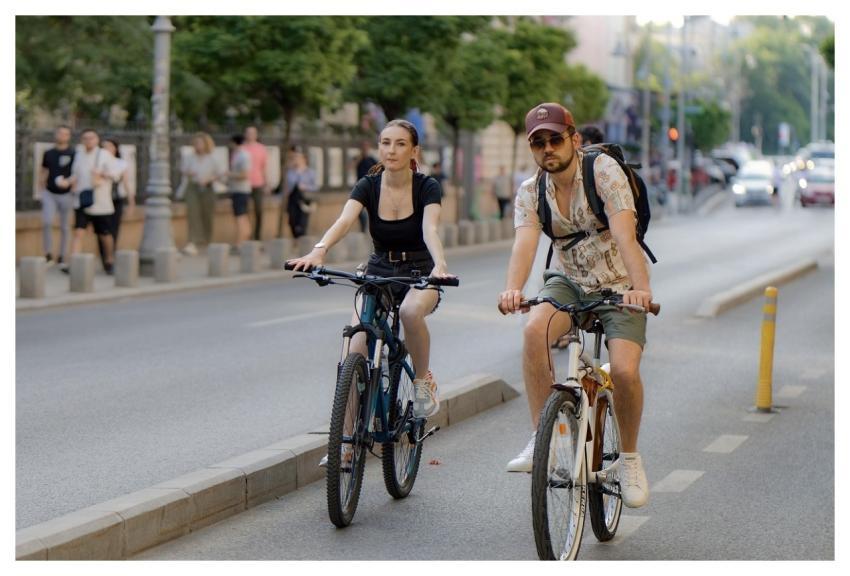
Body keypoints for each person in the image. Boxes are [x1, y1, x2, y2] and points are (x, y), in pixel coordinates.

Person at [497, 103, 654, 509]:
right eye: (538, 143)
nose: (547, 148)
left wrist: (640, 289)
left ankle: (630, 459)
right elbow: (525, 244)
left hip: (619, 285)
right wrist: (512, 289)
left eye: (554, 138)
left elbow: (625, 234)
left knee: (622, 370)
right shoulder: (531, 192)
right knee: (533, 330)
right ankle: (542, 439)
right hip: (569, 282)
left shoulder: (602, 172)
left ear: (574, 139)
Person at [287, 119, 454, 430]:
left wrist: (439, 264)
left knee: (410, 311)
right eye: (385, 142)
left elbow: (429, 229)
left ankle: (421, 381)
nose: (391, 150)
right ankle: (346, 444)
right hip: (378, 269)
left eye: (400, 143)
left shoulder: (427, 186)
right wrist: (319, 250)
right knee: (356, 345)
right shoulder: (368, 185)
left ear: (413, 150)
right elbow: (344, 220)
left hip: (419, 270)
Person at [65, 129, 116, 274]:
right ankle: (73, 263)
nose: (88, 141)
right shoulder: (79, 154)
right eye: (85, 138)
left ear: (97, 139)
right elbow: (75, 174)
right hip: (81, 200)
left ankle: (109, 260)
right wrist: (68, 182)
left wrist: (101, 174)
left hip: (101, 202)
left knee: (105, 234)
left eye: (91, 138)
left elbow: (115, 174)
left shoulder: (105, 155)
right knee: (78, 232)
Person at [178, 132, 222, 255]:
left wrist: (209, 179)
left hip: (208, 188)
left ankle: (207, 241)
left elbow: (219, 173)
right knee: (193, 213)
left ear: (206, 144)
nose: (197, 145)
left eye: (200, 143)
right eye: (196, 143)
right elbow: (183, 170)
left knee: (207, 215)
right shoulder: (189, 157)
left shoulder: (213, 158)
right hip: (193, 187)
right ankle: (192, 242)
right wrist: (189, 173)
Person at [39, 125, 75, 266]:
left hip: (67, 194)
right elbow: (43, 170)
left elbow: (77, 173)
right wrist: (41, 187)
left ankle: (62, 255)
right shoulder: (49, 153)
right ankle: (48, 254)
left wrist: (70, 184)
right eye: (60, 133)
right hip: (49, 193)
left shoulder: (74, 153)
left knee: (65, 226)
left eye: (65, 134)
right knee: (47, 222)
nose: (62, 136)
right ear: (56, 135)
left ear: (69, 136)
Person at [100, 138, 135, 256]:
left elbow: (126, 183)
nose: (106, 149)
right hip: (101, 199)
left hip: (116, 199)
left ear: (115, 148)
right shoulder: (98, 162)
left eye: (109, 146)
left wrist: (131, 202)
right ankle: (104, 256)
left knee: (114, 228)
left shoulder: (120, 163)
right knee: (102, 229)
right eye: (104, 146)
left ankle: (111, 255)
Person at [285, 148, 318, 239]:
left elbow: (315, 187)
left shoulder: (310, 172)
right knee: (292, 221)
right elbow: (289, 184)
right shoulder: (291, 172)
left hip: (304, 200)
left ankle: (301, 241)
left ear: (304, 159)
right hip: (292, 200)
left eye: (298, 158)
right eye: (295, 158)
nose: (296, 160)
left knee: (302, 223)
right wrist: (297, 173)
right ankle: (297, 239)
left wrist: (305, 187)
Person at [227, 134, 252, 251]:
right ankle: (243, 241)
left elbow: (245, 174)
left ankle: (240, 242)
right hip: (238, 189)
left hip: (241, 190)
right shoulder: (238, 155)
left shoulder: (243, 155)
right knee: (242, 216)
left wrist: (229, 174)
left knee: (240, 216)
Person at [243, 126, 269, 241]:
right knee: (244, 211)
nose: (250, 135)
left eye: (253, 133)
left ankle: (257, 237)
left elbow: (264, 167)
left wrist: (266, 183)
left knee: (259, 210)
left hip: (258, 183)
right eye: (248, 132)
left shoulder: (261, 148)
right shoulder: (242, 148)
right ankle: (246, 236)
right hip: (244, 184)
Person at [353, 140, 378, 233]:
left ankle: (372, 227)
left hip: (371, 187)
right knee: (358, 208)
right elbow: (351, 166)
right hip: (360, 186)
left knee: (372, 208)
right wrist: (360, 157)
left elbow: (378, 169)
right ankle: (363, 227)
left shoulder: (372, 159)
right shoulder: (358, 158)